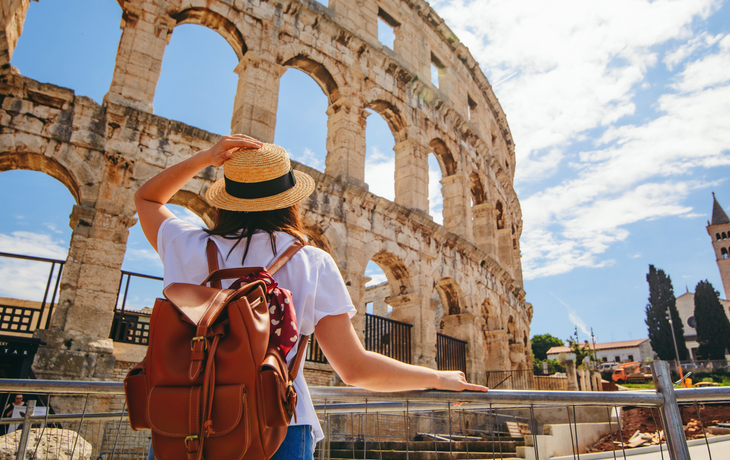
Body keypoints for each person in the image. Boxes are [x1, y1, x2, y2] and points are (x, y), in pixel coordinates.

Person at [134, 134, 488, 460]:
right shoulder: (311, 262)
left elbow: (147, 197)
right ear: (290, 201)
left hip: (186, 419)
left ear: (227, 198)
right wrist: (437, 378)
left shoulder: (186, 245)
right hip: (279, 426)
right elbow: (355, 368)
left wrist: (207, 156)